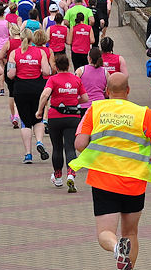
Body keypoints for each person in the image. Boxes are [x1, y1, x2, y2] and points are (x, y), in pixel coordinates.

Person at [69, 73, 151, 270]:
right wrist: (150, 162)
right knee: (131, 233)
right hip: (134, 182)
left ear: (107, 91)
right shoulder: (143, 113)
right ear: (128, 90)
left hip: (104, 180)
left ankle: (116, 248)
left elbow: (79, 144)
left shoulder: (95, 110)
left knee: (105, 234)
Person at [36, 54, 88, 192]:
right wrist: (74, 101)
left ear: (56, 67)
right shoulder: (76, 79)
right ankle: (71, 174)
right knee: (70, 147)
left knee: (57, 147)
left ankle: (58, 177)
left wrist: (40, 110)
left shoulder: (53, 79)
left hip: (55, 116)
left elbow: (45, 94)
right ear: (68, 66)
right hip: (73, 117)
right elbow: (85, 98)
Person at [6, 28, 51, 164]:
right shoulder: (41, 52)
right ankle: (39, 141)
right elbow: (47, 71)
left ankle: (28, 154)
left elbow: (10, 74)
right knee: (38, 117)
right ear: (32, 39)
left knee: (25, 122)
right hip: (37, 88)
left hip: (21, 89)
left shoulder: (14, 53)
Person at [75, 47, 108, 112]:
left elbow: (75, 88)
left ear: (89, 58)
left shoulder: (80, 71)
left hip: (84, 106)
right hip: (100, 106)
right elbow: (108, 93)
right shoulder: (106, 72)